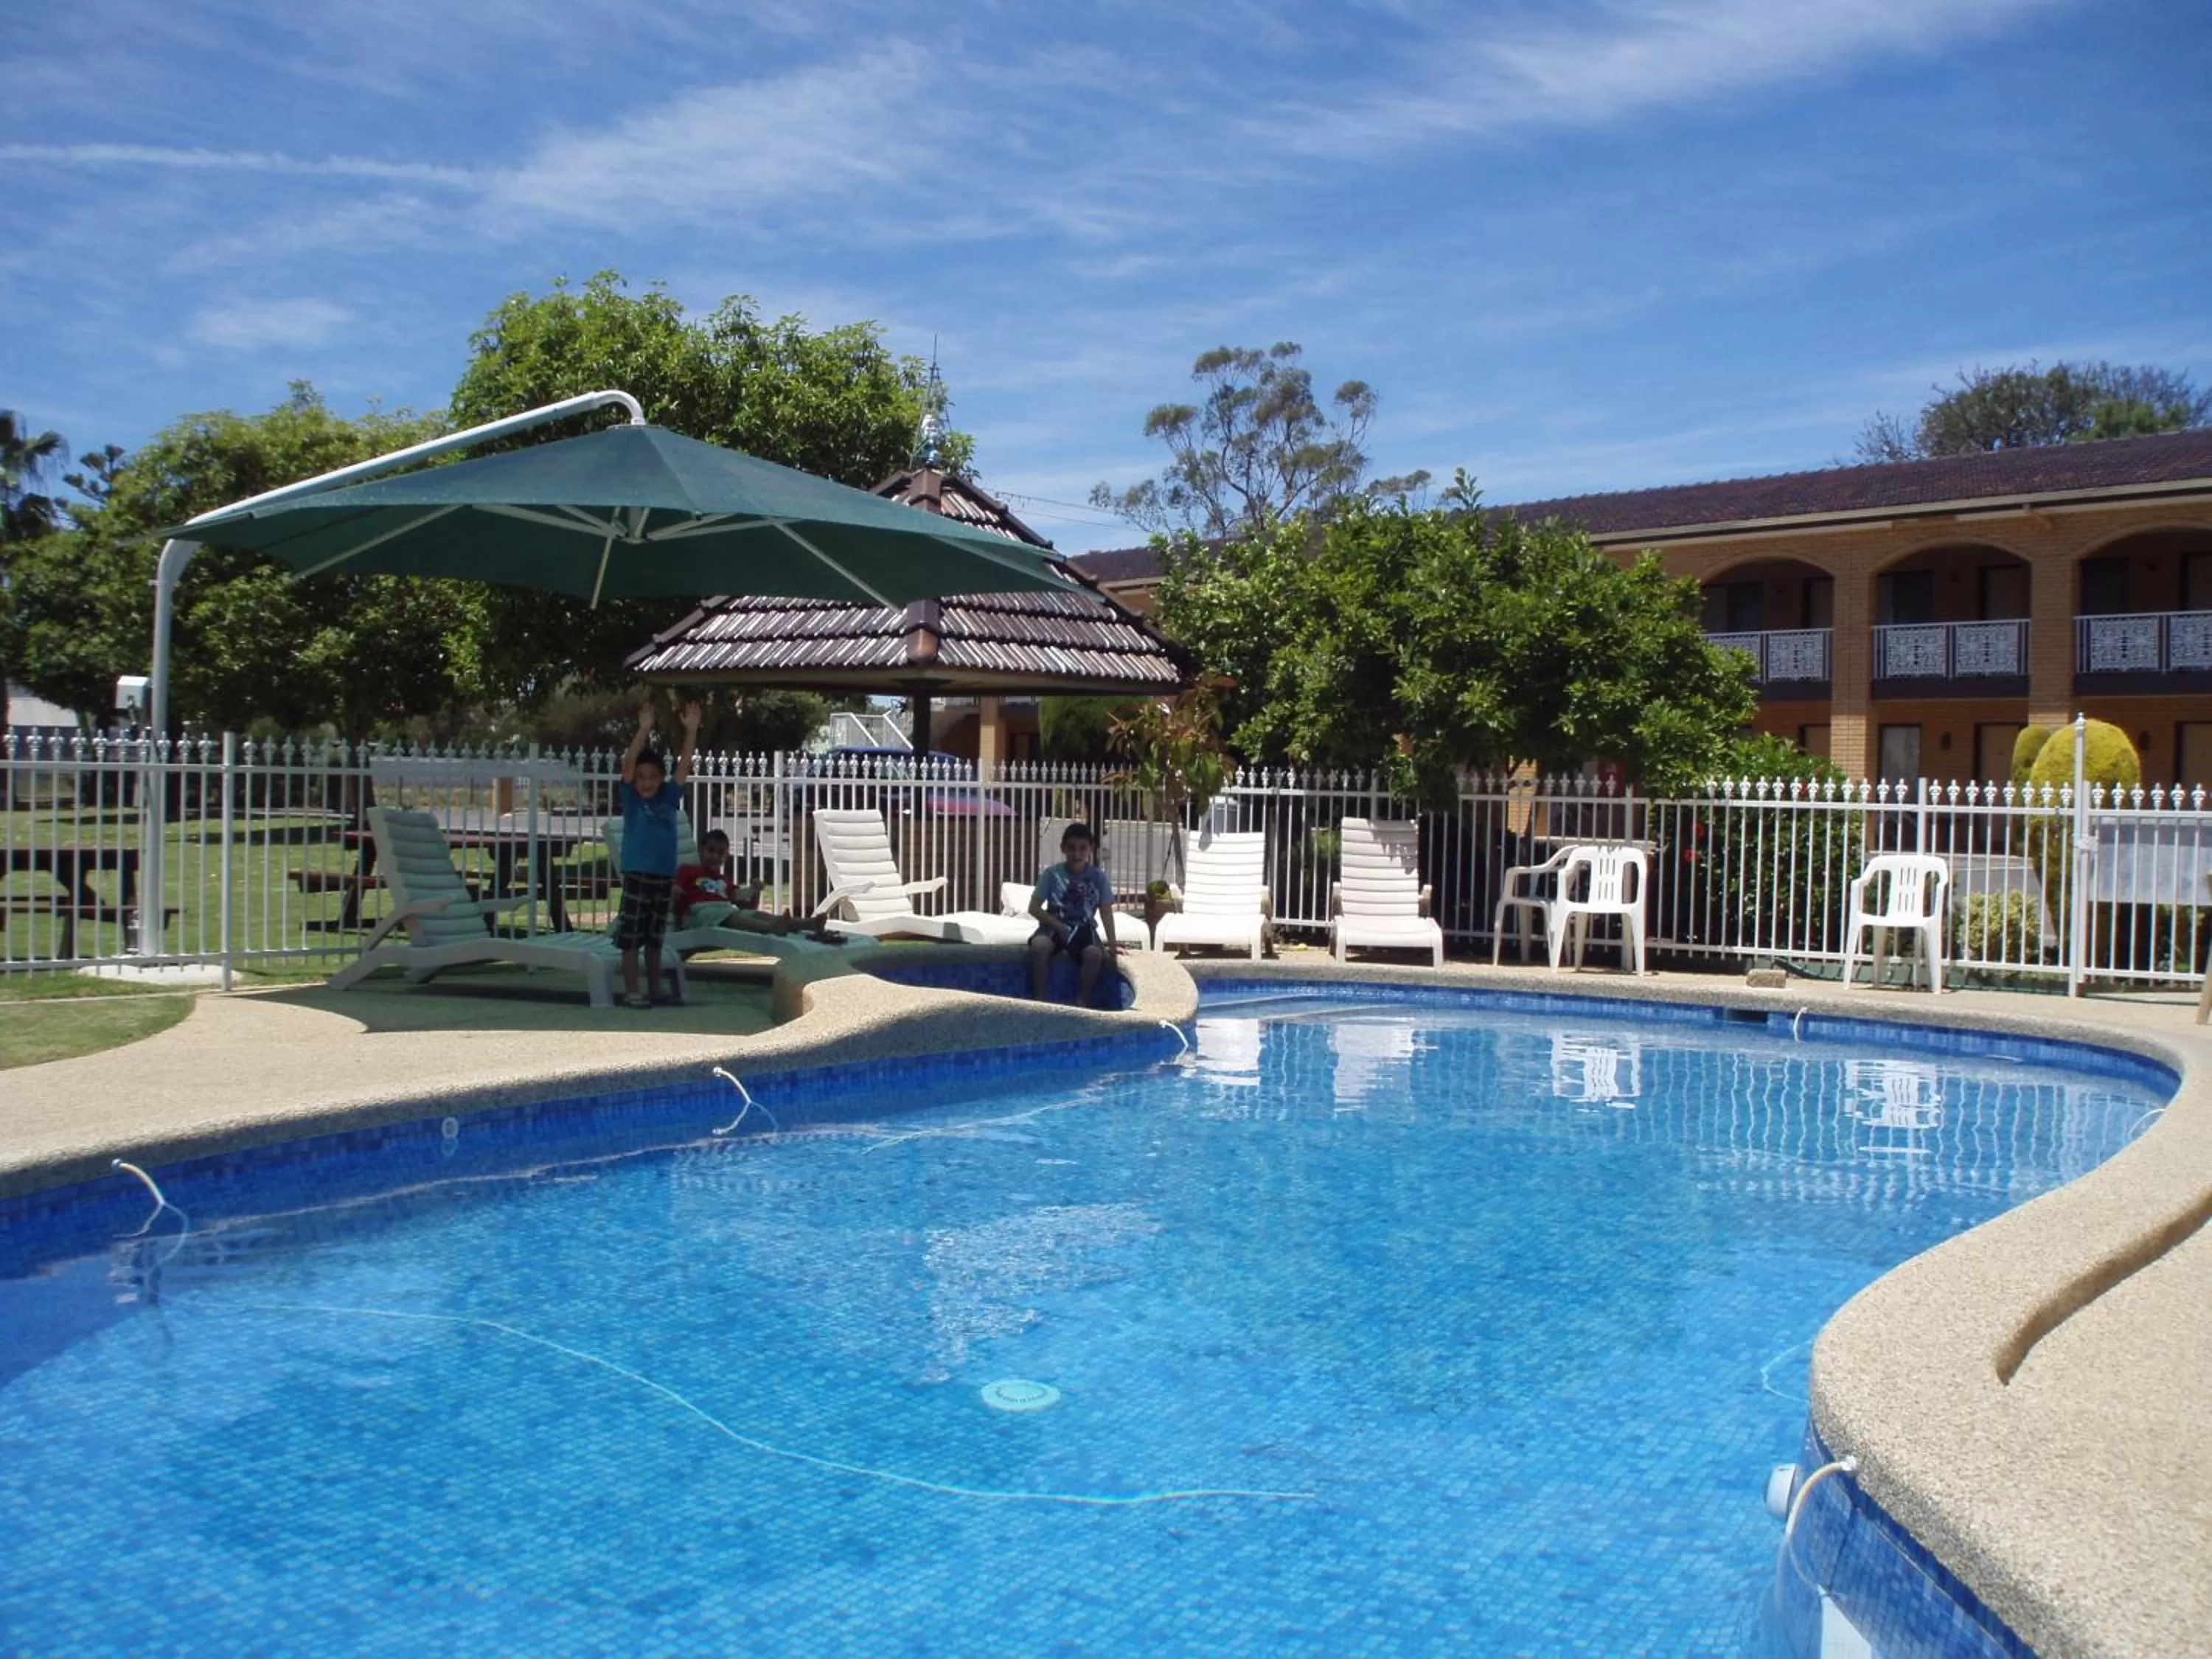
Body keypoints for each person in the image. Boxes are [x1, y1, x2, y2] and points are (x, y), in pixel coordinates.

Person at [616, 697, 700, 1008]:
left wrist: (691, 730)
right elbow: (629, 763)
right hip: (637, 874)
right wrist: (644, 729)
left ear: (661, 778)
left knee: (654, 937)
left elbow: (685, 762)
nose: (646, 783)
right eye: (641, 778)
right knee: (631, 936)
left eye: (652, 777)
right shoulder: (632, 800)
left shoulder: (669, 795)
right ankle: (632, 990)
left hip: (663, 876)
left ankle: (654, 990)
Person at [674, 828, 840, 943]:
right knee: (737, 917)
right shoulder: (689, 870)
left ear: (726, 856)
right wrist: (675, 890)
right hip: (700, 916)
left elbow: (748, 905)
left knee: (758, 915)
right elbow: (676, 887)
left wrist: (755, 891)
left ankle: (808, 924)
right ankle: (772, 928)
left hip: (724, 911)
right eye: (711, 851)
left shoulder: (725, 880)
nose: (715, 856)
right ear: (701, 850)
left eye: (720, 853)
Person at [1028, 821, 1120, 1004]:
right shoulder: (1052, 875)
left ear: (1090, 849)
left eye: (1082, 848)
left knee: (1094, 955)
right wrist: (1058, 926)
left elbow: (1106, 913)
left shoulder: (1098, 878)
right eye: (1071, 848)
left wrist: (1113, 944)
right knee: (1039, 946)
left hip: (1084, 929)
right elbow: (1034, 908)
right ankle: (1039, 999)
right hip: (1053, 925)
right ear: (1063, 848)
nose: (1076, 854)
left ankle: (1082, 1000)